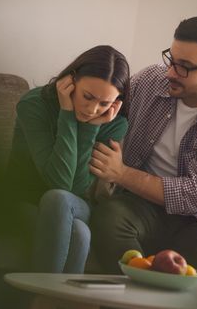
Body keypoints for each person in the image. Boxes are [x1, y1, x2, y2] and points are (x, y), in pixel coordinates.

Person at [89, 16, 197, 284]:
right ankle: (131, 300)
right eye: (171, 59)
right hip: (141, 205)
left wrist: (121, 173)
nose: (170, 72)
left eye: (184, 67)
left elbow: (195, 196)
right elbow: (103, 108)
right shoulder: (150, 81)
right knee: (109, 217)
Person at [7, 45, 129, 273]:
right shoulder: (34, 105)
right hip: (24, 200)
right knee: (80, 235)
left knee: (60, 200)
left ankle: (43, 299)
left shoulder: (114, 123)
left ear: (116, 101)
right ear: (71, 81)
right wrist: (67, 114)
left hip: (74, 205)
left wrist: (92, 127)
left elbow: (74, 188)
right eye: (88, 96)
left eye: (104, 103)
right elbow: (60, 183)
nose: (93, 109)